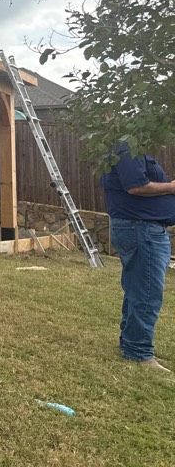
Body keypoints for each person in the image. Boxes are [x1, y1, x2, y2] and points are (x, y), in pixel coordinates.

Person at [101, 144, 175, 371]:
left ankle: (130, 344)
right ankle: (138, 352)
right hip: (141, 228)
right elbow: (136, 186)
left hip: (142, 228)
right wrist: (171, 187)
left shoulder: (133, 149)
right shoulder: (127, 149)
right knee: (147, 291)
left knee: (138, 288)